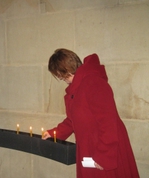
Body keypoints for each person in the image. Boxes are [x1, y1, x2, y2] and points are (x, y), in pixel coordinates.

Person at [42, 48, 139, 178]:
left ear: (66, 68)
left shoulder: (94, 83)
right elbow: (73, 120)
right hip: (90, 146)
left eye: (59, 73)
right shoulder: (76, 88)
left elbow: (109, 122)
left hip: (104, 147)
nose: (60, 78)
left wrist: (104, 155)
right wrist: (55, 133)